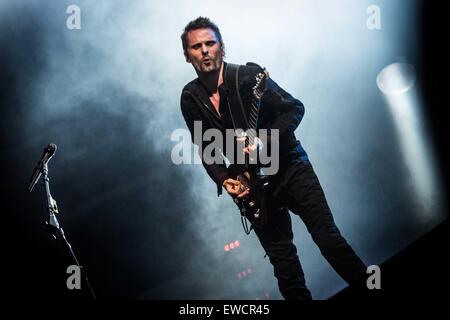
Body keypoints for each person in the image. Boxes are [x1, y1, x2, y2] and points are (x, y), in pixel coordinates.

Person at [179, 16, 367, 300]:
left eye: (210, 43)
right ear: (187, 55)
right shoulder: (190, 98)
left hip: (290, 168)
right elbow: (206, 148)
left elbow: (294, 109)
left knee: (330, 242)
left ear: (222, 47)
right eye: (196, 46)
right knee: (285, 268)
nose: (204, 50)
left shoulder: (246, 76)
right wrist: (226, 179)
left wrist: (265, 140)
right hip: (254, 186)